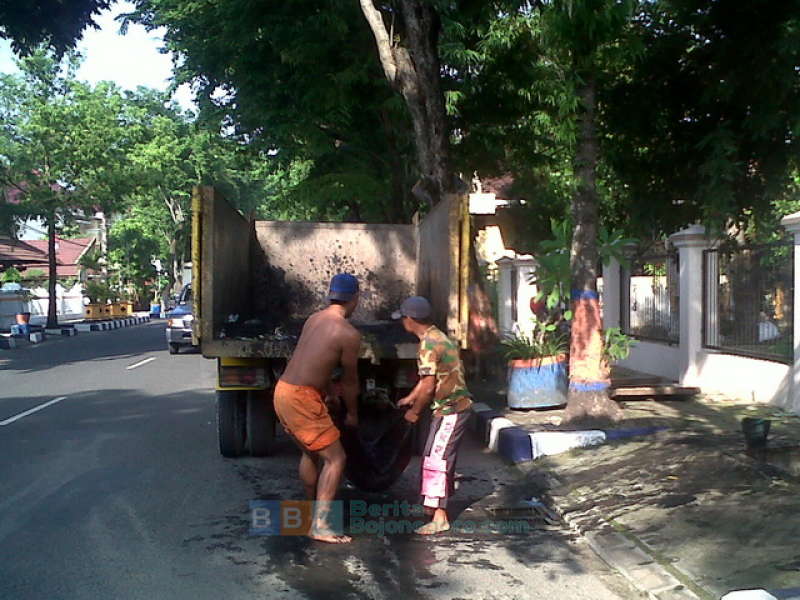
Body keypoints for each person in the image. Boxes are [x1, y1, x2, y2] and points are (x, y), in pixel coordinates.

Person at [274, 273, 362, 543]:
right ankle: (321, 525)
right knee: (336, 459)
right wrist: (352, 413)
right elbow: (349, 382)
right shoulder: (348, 334)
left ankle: (312, 513)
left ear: (331, 295)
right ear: (355, 299)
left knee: (310, 452)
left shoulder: (314, 319)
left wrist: (327, 395)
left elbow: (313, 361)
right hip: (301, 398)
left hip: (283, 391)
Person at [394, 296, 473, 535]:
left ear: (410, 319)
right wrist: (410, 397)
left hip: (451, 409)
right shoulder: (437, 336)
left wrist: (414, 412)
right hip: (451, 407)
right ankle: (432, 506)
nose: (402, 323)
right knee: (434, 456)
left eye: (403, 318)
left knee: (437, 459)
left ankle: (440, 518)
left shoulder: (428, 344)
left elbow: (428, 387)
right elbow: (427, 379)